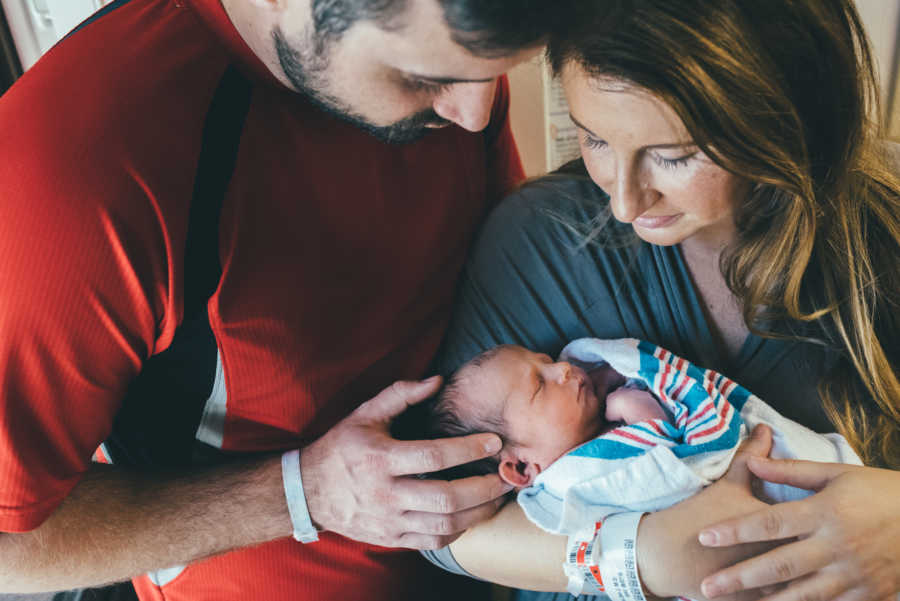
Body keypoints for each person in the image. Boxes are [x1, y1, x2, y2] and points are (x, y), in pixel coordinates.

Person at [0, 0, 586, 600]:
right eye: (423, 77)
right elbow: (9, 549)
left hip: (491, 566)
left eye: (495, 75)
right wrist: (307, 493)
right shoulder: (72, 173)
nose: (475, 115)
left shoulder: (460, 78)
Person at [423, 1, 900, 600]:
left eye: (674, 154)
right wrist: (641, 556)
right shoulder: (544, 242)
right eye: (592, 137)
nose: (624, 203)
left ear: (789, 120)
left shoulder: (882, 251)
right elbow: (442, 522)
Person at [424, 338, 861, 596]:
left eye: (546, 362)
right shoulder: (575, 478)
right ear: (521, 468)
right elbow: (662, 468)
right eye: (540, 384)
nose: (563, 368)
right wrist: (637, 410)